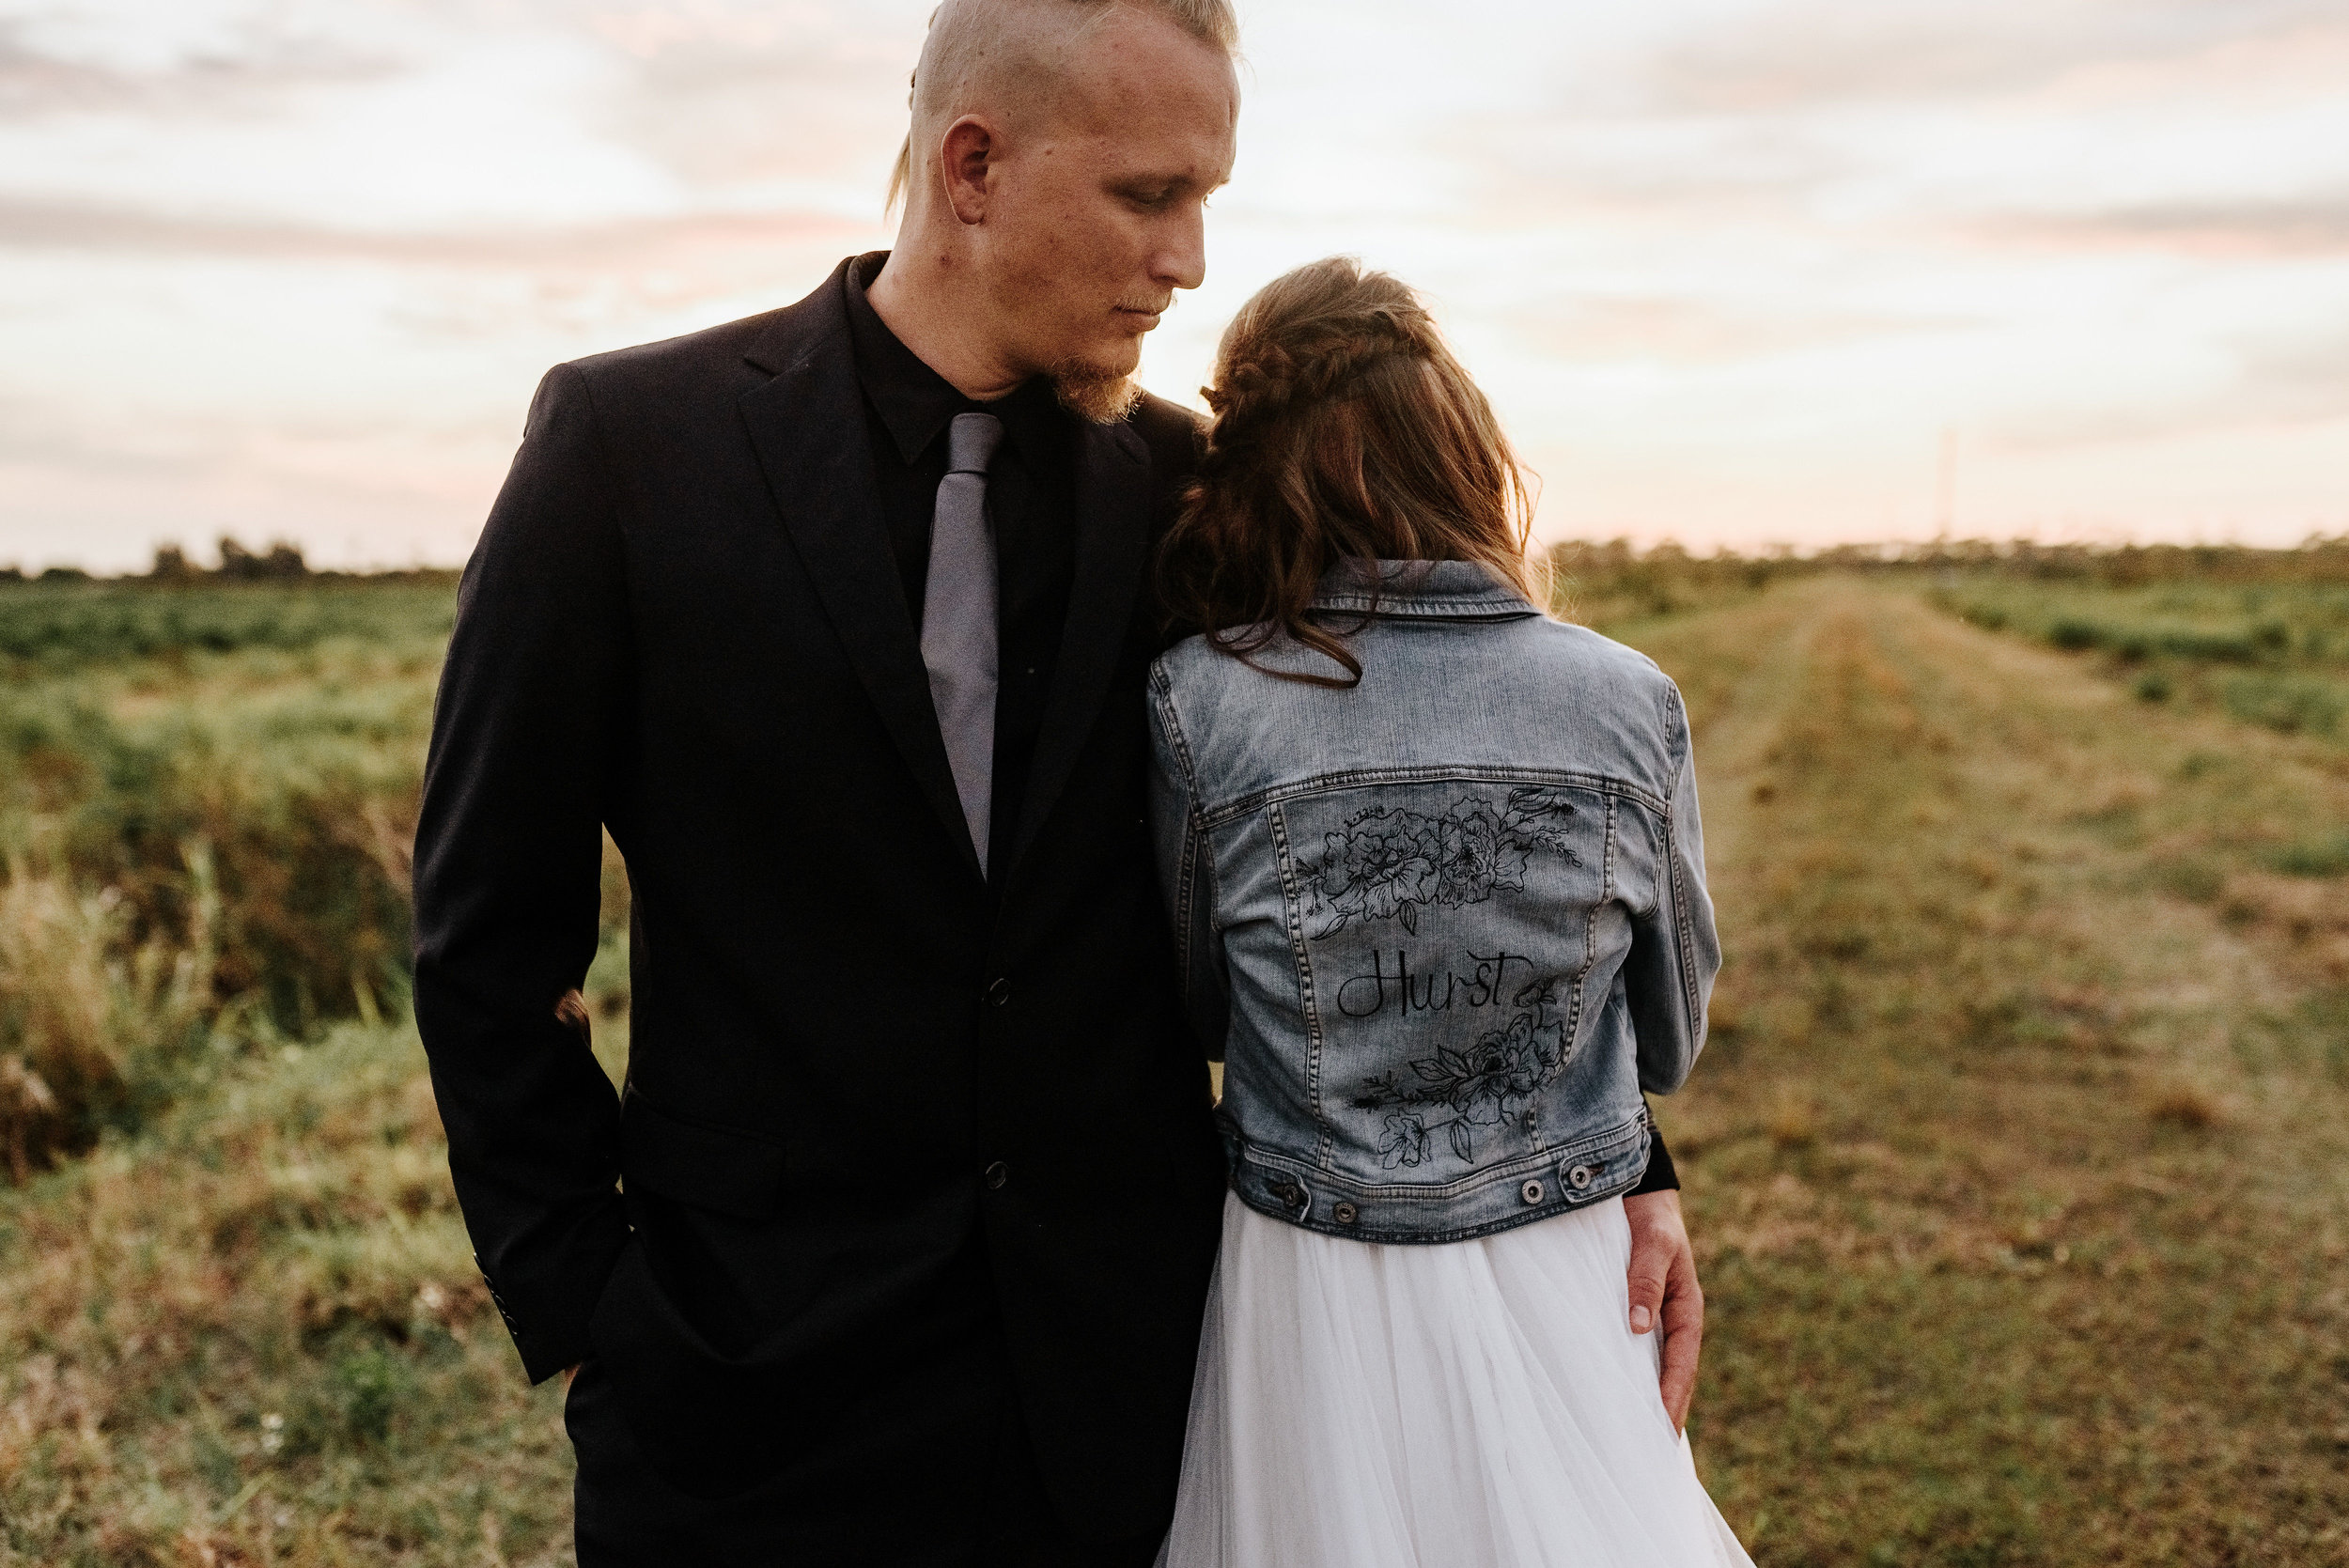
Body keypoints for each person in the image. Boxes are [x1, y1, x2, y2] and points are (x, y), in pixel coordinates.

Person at [412, 0, 1703, 1557]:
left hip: (1128, 1382)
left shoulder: (1187, 490)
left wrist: (1629, 1155)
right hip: (741, 1396)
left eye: (1205, 203)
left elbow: (1423, 804)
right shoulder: (628, 448)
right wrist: (591, 1305)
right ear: (973, 169)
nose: (1191, 262)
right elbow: (487, 929)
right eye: (1151, 198)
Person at [1147, 257, 1752, 1567]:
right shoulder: (1628, 697)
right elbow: (1670, 1038)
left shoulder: (1202, 697)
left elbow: (1201, 1004)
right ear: (1471, 457)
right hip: (1570, 1247)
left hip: (1304, 1271)